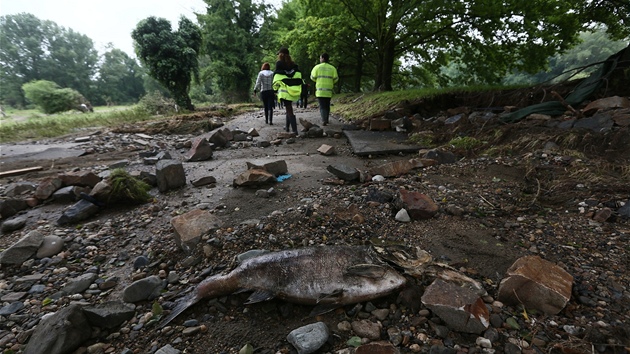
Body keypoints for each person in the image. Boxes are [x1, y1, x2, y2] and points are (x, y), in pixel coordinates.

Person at [273, 47, 302, 134]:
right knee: (288, 107)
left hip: (284, 90)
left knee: (289, 109)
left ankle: (294, 130)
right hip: (292, 88)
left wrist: (275, 89)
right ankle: (287, 127)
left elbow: (277, 75)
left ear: (280, 55)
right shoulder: (293, 65)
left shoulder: (279, 64)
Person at [310, 53, 338, 126]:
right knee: (327, 105)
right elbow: (336, 79)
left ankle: (323, 120)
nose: (320, 59)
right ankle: (327, 119)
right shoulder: (332, 68)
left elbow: (312, 77)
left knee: (322, 106)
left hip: (320, 90)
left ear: (323, 58)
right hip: (328, 91)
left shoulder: (317, 67)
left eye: (320, 58)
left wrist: (318, 80)